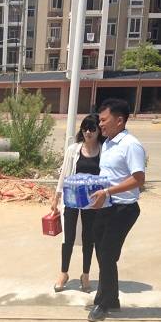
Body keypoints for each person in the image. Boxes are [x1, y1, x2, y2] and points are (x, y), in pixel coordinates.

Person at [87, 98, 146, 322]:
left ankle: (104, 303)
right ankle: (111, 299)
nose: (100, 124)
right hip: (106, 206)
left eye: (104, 120)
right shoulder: (109, 143)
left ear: (119, 121)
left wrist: (108, 191)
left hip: (123, 209)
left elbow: (138, 179)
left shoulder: (130, 145)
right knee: (102, 253)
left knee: (107, 255)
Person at [52, 114, 105, 293]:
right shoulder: (73, 149)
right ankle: (63, 273)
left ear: (99, 131)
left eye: (92, 128)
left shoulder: (104, 151)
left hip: (92, 202)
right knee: (68, 237)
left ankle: (85, 275)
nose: (88, 132)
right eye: (85, 128)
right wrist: (56, 197)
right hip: (72, 199)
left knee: (88, 238)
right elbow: (64, 174)